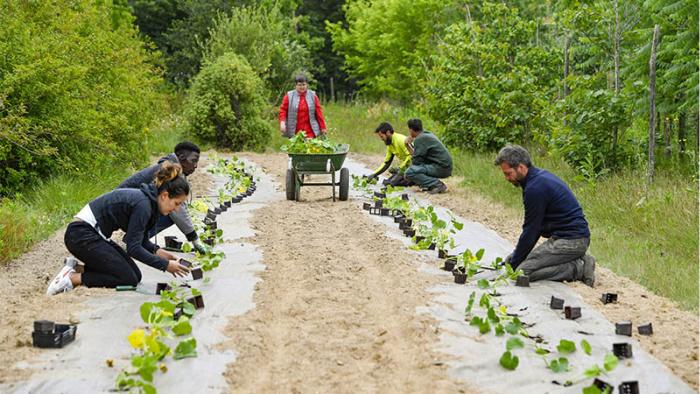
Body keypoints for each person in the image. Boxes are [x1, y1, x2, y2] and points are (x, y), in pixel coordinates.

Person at [46, 162, 191, 295]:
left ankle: (75, 267)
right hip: (81, 236)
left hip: (92, 235)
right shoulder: (144, 205)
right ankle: (72, 278)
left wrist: (159, 252)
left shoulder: (149, 203)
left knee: (135, 275)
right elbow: (133, 248)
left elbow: (138, 239)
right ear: (165, 196)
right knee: (127, 278)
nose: (177, 209)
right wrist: (165, 265)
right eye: (177, 203)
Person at [494, 144, 596, 286]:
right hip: (563, 238)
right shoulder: (538, 178)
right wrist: (515, 258)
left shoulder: (534, 188)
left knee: (522, 272)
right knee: (518, 261)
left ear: (521, 168)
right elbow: (534, 229)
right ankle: (576, 260)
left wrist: (515, 264)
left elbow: (531, 231)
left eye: (508, 173)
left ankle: (578, 268)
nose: (507, 178)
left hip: (572, 241)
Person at [118, 141, 207, 254]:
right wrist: (194, 238)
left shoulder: (170, 166)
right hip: (124, 209)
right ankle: (136, 240)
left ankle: (137, 239)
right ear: (181, 157)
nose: (195, 166)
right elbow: (178, 212)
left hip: (133, 208)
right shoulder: (170, 172)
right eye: (193, 161)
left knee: (170, 209)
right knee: (170, 212)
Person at [404, 118, 452, 194]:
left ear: (411, 130)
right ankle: (431, 185)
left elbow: (416, 162)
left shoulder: (420, 139)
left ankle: (437, 184)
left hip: (441, 168)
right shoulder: (426, 134)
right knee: (413, 170)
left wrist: (407, 145)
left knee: (410, 172)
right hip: (444, 166)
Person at [279, 74, 327, 138]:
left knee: (311, 147)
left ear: (307, 85)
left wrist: (323, 127)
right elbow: (283, 110)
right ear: (295, 86)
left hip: (310, 131)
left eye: (304, 84)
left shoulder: (313, 95)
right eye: (299, 85)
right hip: (295, 131)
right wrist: (282, 122)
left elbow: (319, 112)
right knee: (297, 147)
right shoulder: (289, 96)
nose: (302, 87)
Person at [365, 122, 413, 186]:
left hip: (414, 167)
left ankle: (414, 181)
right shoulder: (390, 144)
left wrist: (400, 168)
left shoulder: (400, 140)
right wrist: (374, 174)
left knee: (391, 183)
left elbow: (411, 156)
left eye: (382, 136)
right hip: (405, 169)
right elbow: (386, 163)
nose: (381, 139)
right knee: (386, 182)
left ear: (388, 133)